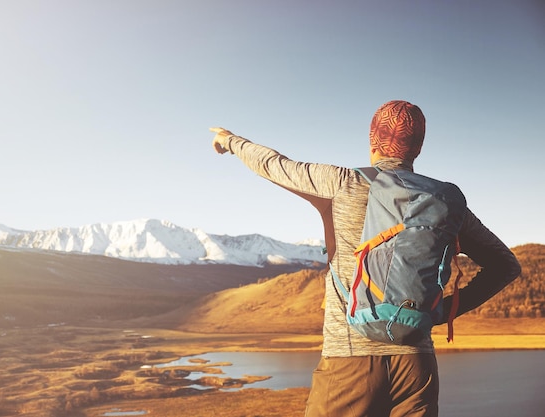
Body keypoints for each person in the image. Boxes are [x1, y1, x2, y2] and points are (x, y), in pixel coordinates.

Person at [210, 100, 521, 417]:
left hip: (349, 362)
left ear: (373, 140)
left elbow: (274, 164)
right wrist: (440, 312)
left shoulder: (344, 182)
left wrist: (231, 140)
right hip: (417, 366)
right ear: (417, 148)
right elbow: (505, 266)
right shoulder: (444, 202)